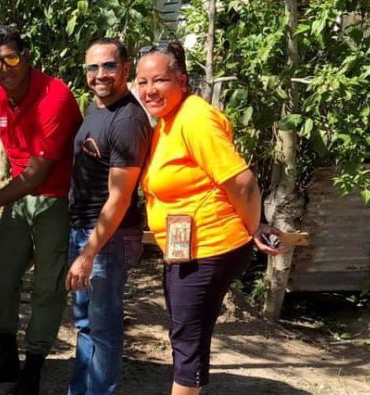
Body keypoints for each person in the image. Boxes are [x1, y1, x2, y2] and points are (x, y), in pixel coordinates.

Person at [134, 42, 284, 395]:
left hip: (210, 248)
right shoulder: (169, 120)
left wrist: (253, 227)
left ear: (181, 80)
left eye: (159, 80)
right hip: (188, 248)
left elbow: (243, 182)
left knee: (188, 342)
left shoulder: (194, 118)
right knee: (186, 335)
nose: (149, 90)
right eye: (141, 81)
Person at [0, 25, 82, 395]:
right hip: (18, 199)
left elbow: (38, 174)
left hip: (56, 198)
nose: (4, 68)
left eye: (11, 58)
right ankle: (7, 358)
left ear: (26, 56)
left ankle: (33, 369)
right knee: (0, 278)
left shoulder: (54, 95)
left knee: (47, 287)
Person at [64, 38, 152, 395]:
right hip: (83, 229)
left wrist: (89, 253)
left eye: (109, 66)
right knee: (86, 325)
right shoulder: (96, 109)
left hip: (105, 238)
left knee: (103, 328)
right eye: (93, 67)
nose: (100, 75)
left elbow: (119, 197)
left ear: (125, 69)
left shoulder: (127, 120)